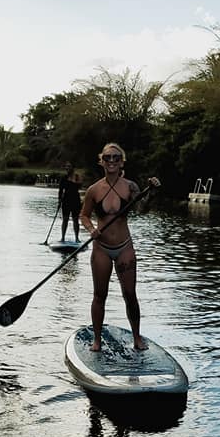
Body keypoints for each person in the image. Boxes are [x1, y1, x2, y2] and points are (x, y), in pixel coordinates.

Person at [79, 142, 161, 352]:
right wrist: (91, 229)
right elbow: (84, 216)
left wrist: (151, 193)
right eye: (107, 158)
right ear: (101, 161)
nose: (112, 161)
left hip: (124, 247)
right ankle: (97, 341)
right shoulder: (94, 190)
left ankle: (137, 338)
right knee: (100, 295)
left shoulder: (131, 187)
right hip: (101, 248)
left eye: (116, 157)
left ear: (122, 162)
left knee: (130, 294)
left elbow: (142, 210)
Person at [57, 163, 82, 241]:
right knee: (65, 219)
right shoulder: (63, 178)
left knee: (75, 219)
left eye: (69, 166)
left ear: (73, 168)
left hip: (75, 200)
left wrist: (74, 180)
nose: (67, 168)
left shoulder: (77, 177)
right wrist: (59, 201)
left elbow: (79, 186)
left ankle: (77, 238)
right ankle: (62, 238)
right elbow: (60, 190)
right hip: (66, 200)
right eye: (66, 166)